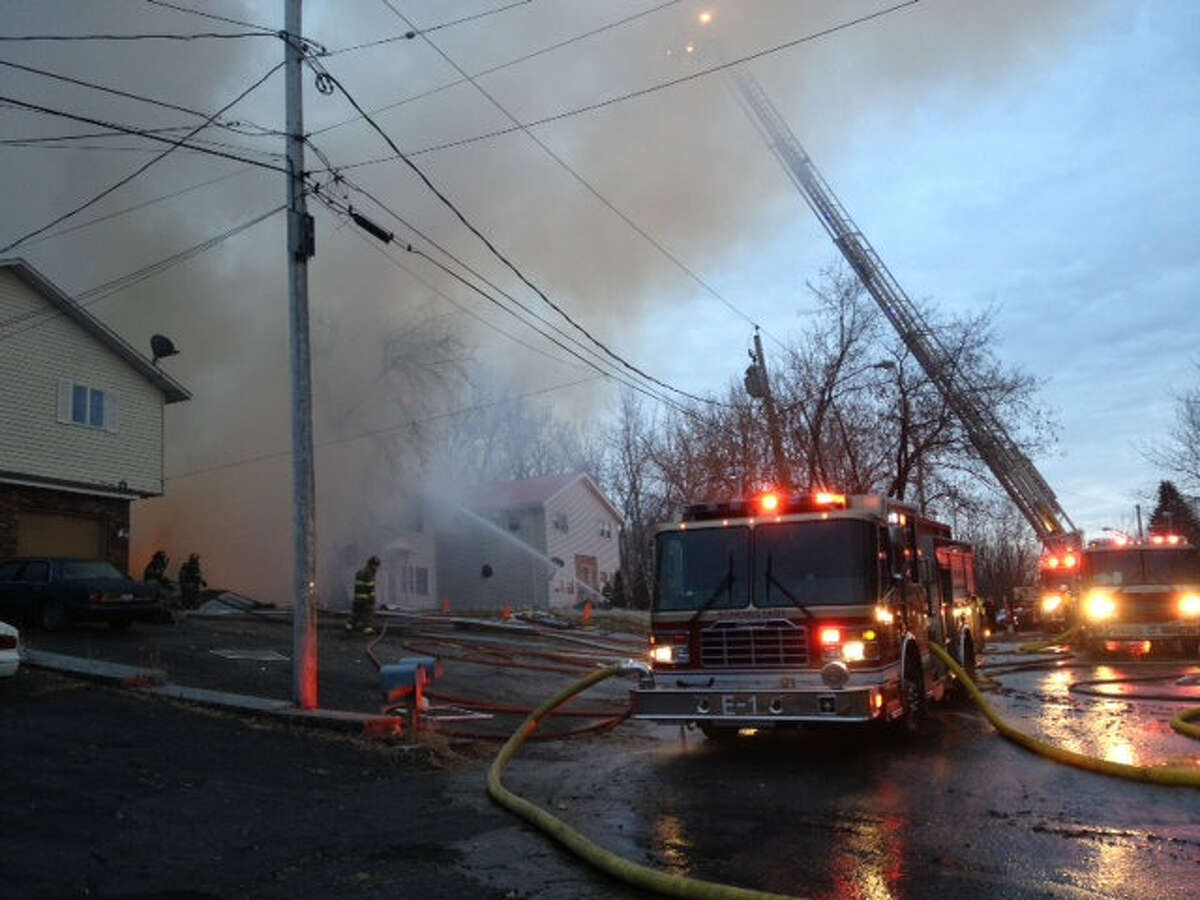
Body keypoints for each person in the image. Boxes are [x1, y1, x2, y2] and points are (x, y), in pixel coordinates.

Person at [346, 556, 380, 635]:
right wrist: (372, 599)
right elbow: (370, 588)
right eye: (376, 566)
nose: (377, 568)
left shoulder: (360, 572)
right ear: (372, 565)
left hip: (357, 598)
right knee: (367, 614)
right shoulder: (369, 574)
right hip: (366, 599)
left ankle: (349, 626)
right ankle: (367, 629)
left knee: (356, 613)